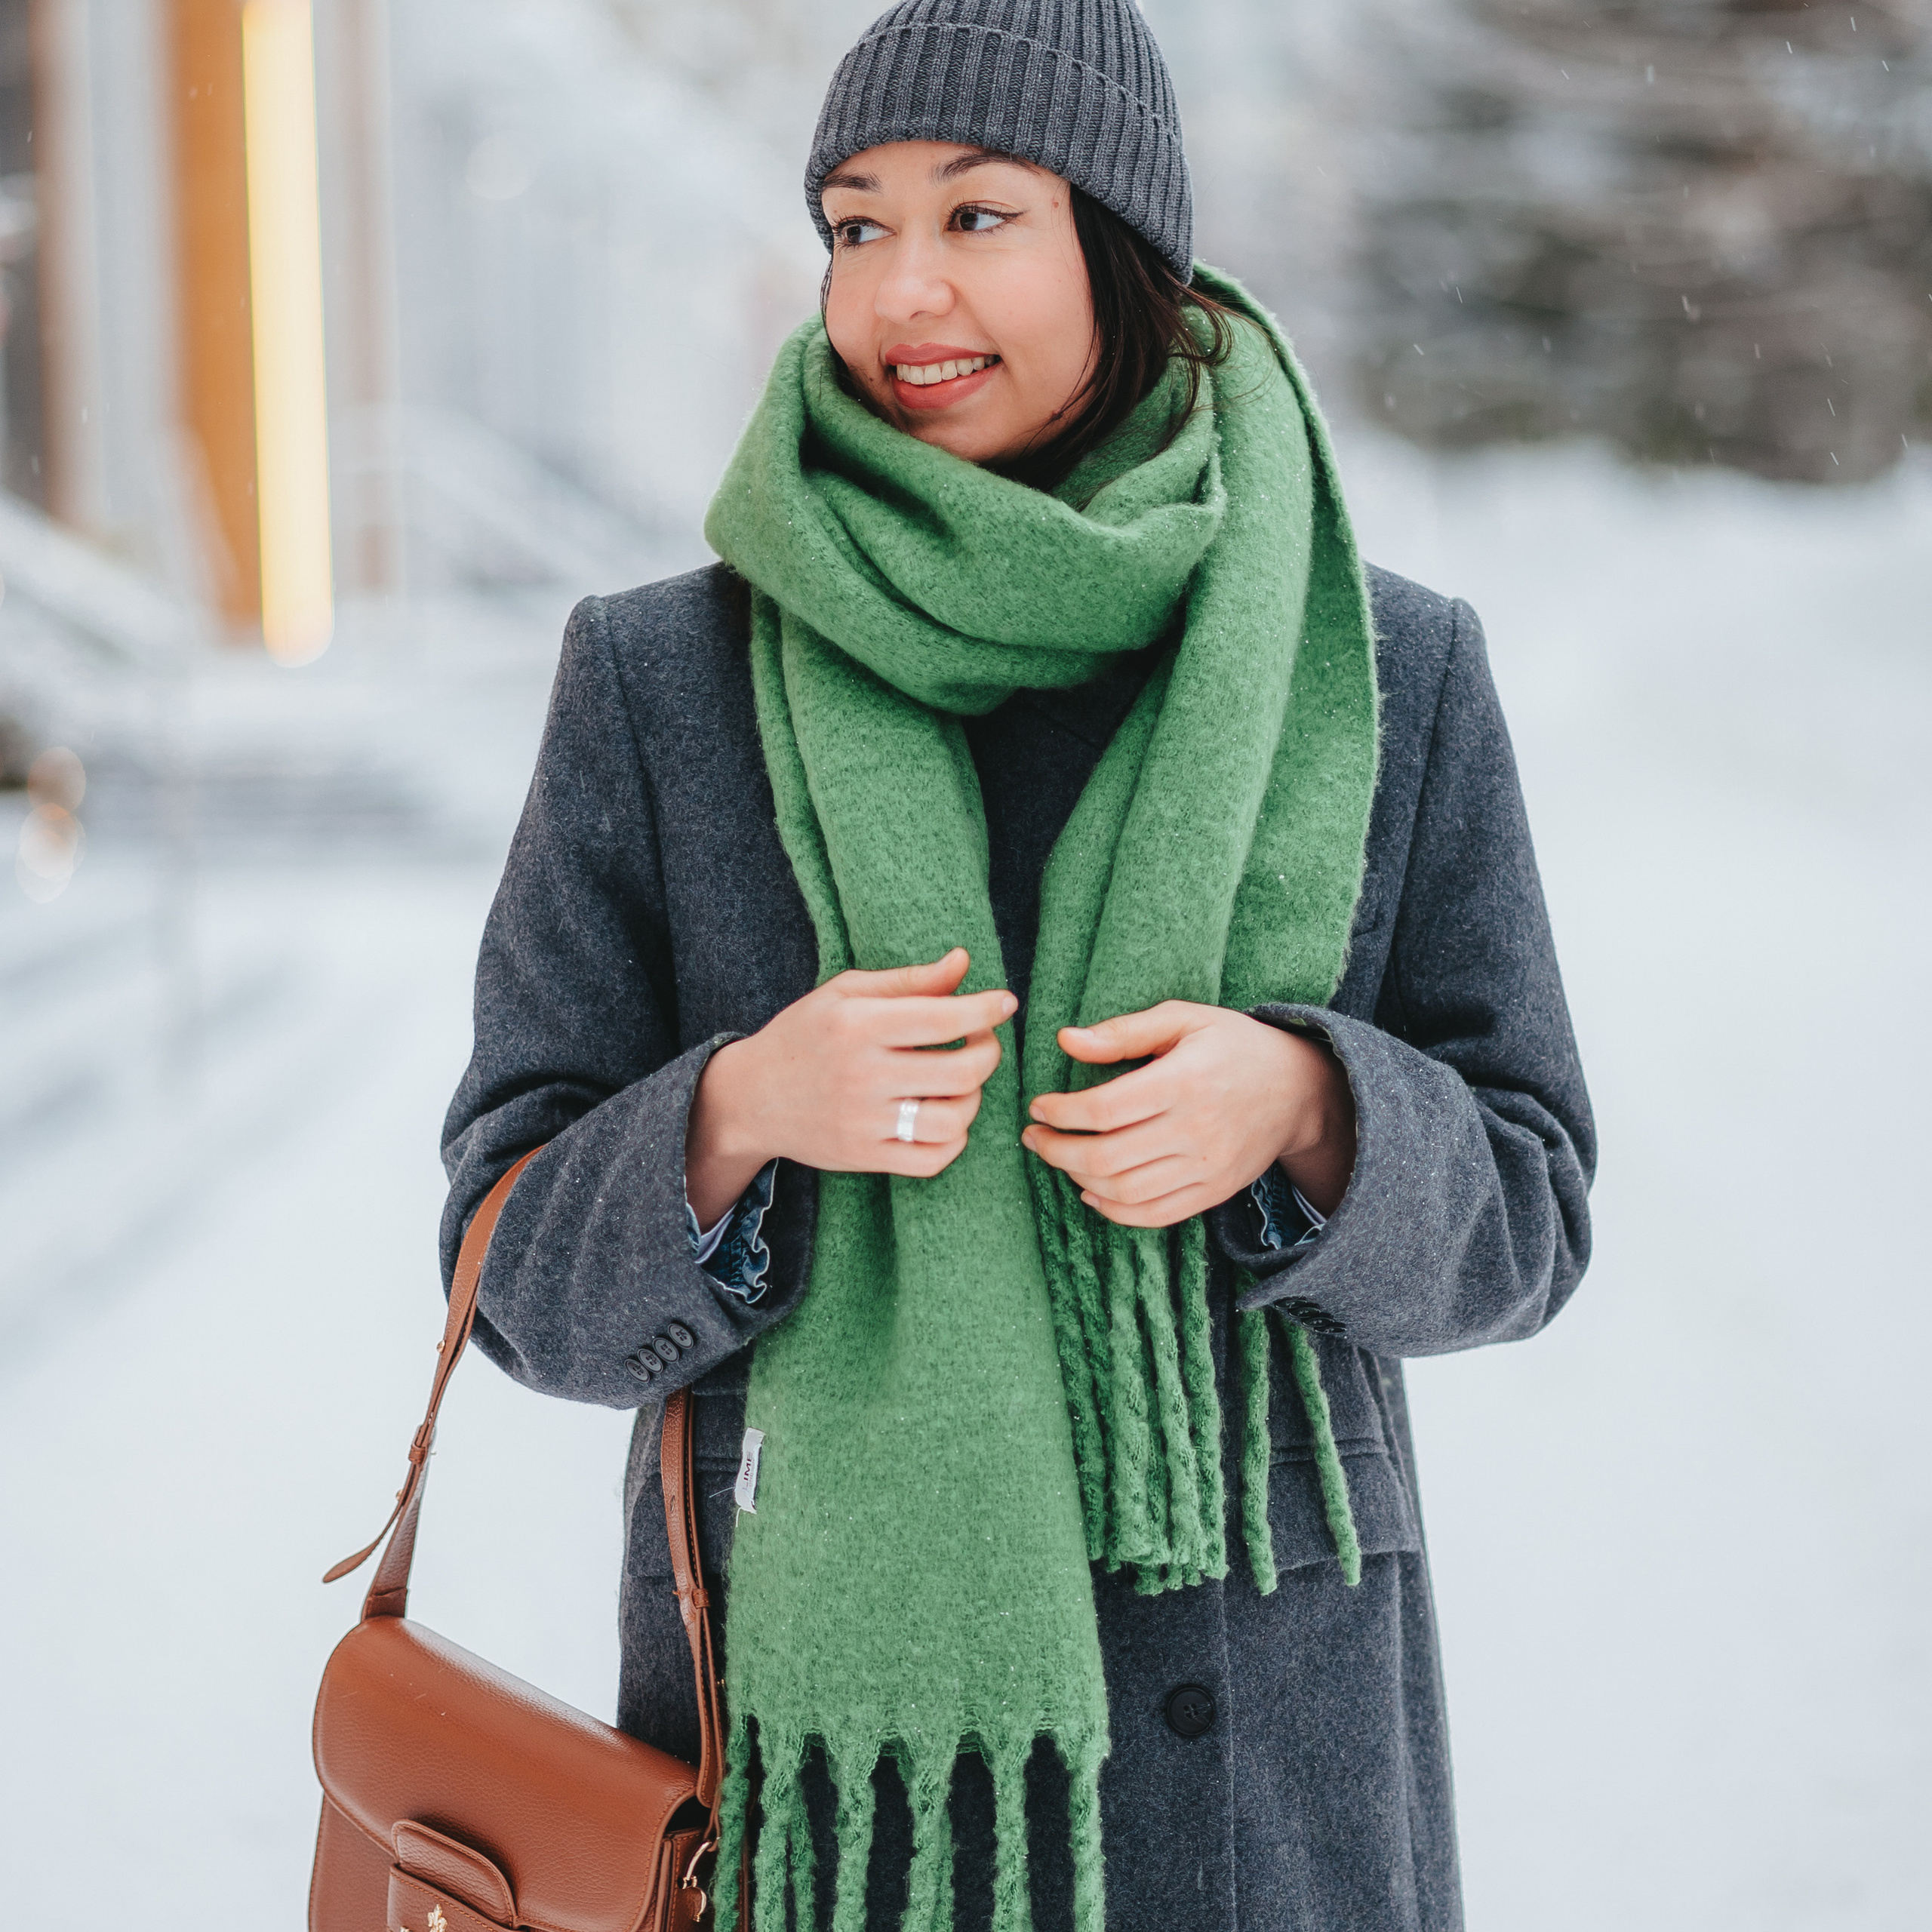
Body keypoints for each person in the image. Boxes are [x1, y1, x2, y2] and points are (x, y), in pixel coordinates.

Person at [440, 3, 1595, 1929]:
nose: (901, 289)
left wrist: (1308, 1108)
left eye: (976, 216)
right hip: (819, 1800)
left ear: (1121, 249)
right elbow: (506, 1260)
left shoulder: (1377, 669)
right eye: (854, 223)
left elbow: (1531, 1212)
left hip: (1262, 1789)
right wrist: (738, 1113)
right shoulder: (661, 682)